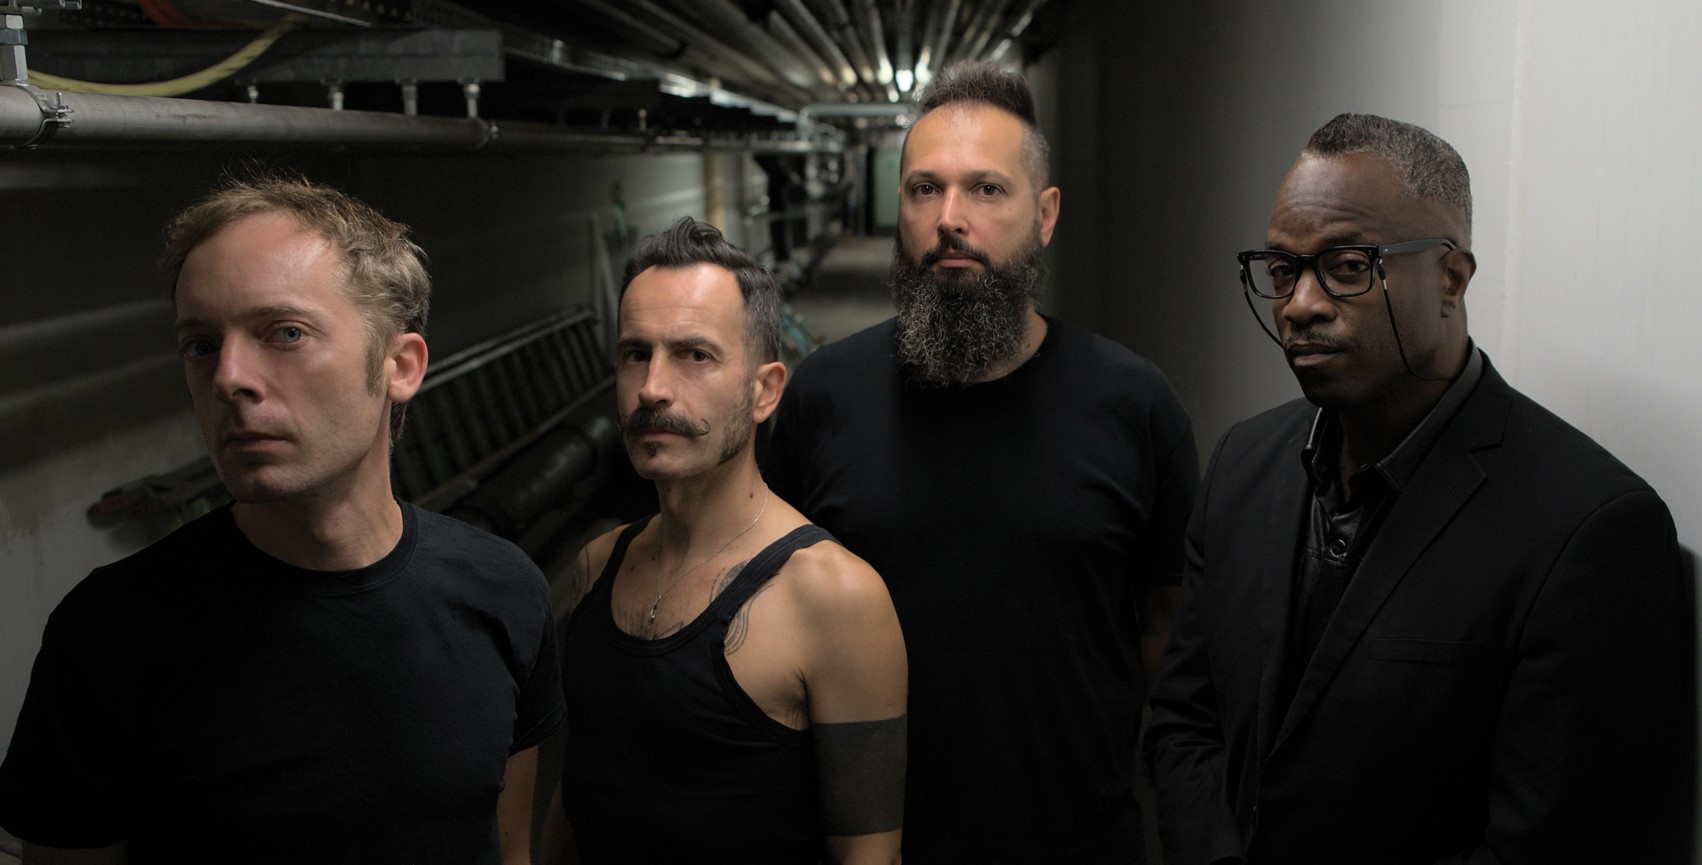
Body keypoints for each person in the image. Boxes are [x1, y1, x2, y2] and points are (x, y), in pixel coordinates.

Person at [1145, 113, 1691, 865]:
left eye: (1347, 267)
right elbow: (1185, 721)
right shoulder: (1243, 463)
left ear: (1450, 279)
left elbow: (1553, 843)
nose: (1299, 304)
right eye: (1281, 270)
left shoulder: (1590, 527)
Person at [0, 176, 564, 864]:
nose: (228, 377)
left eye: (285, 333)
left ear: (400, 365)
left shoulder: (505, 592)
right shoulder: (108, 635)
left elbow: (508, 849)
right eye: (201, 343)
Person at [764, 63, 1200, 863]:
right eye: (924, 189)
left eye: (986, 190)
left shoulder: (1135, 404)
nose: (949, 218)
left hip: (1077, 844)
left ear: (1045, 214)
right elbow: (769, 614)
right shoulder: (822, 396)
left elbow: (1168, 622)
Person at [541, 217, 907, 865]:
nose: (652, 388)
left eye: (694, 355)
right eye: (636, 353)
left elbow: (868, 855)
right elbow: (576, 797)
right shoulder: (597, 567)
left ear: (765, 391)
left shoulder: (837, 599)